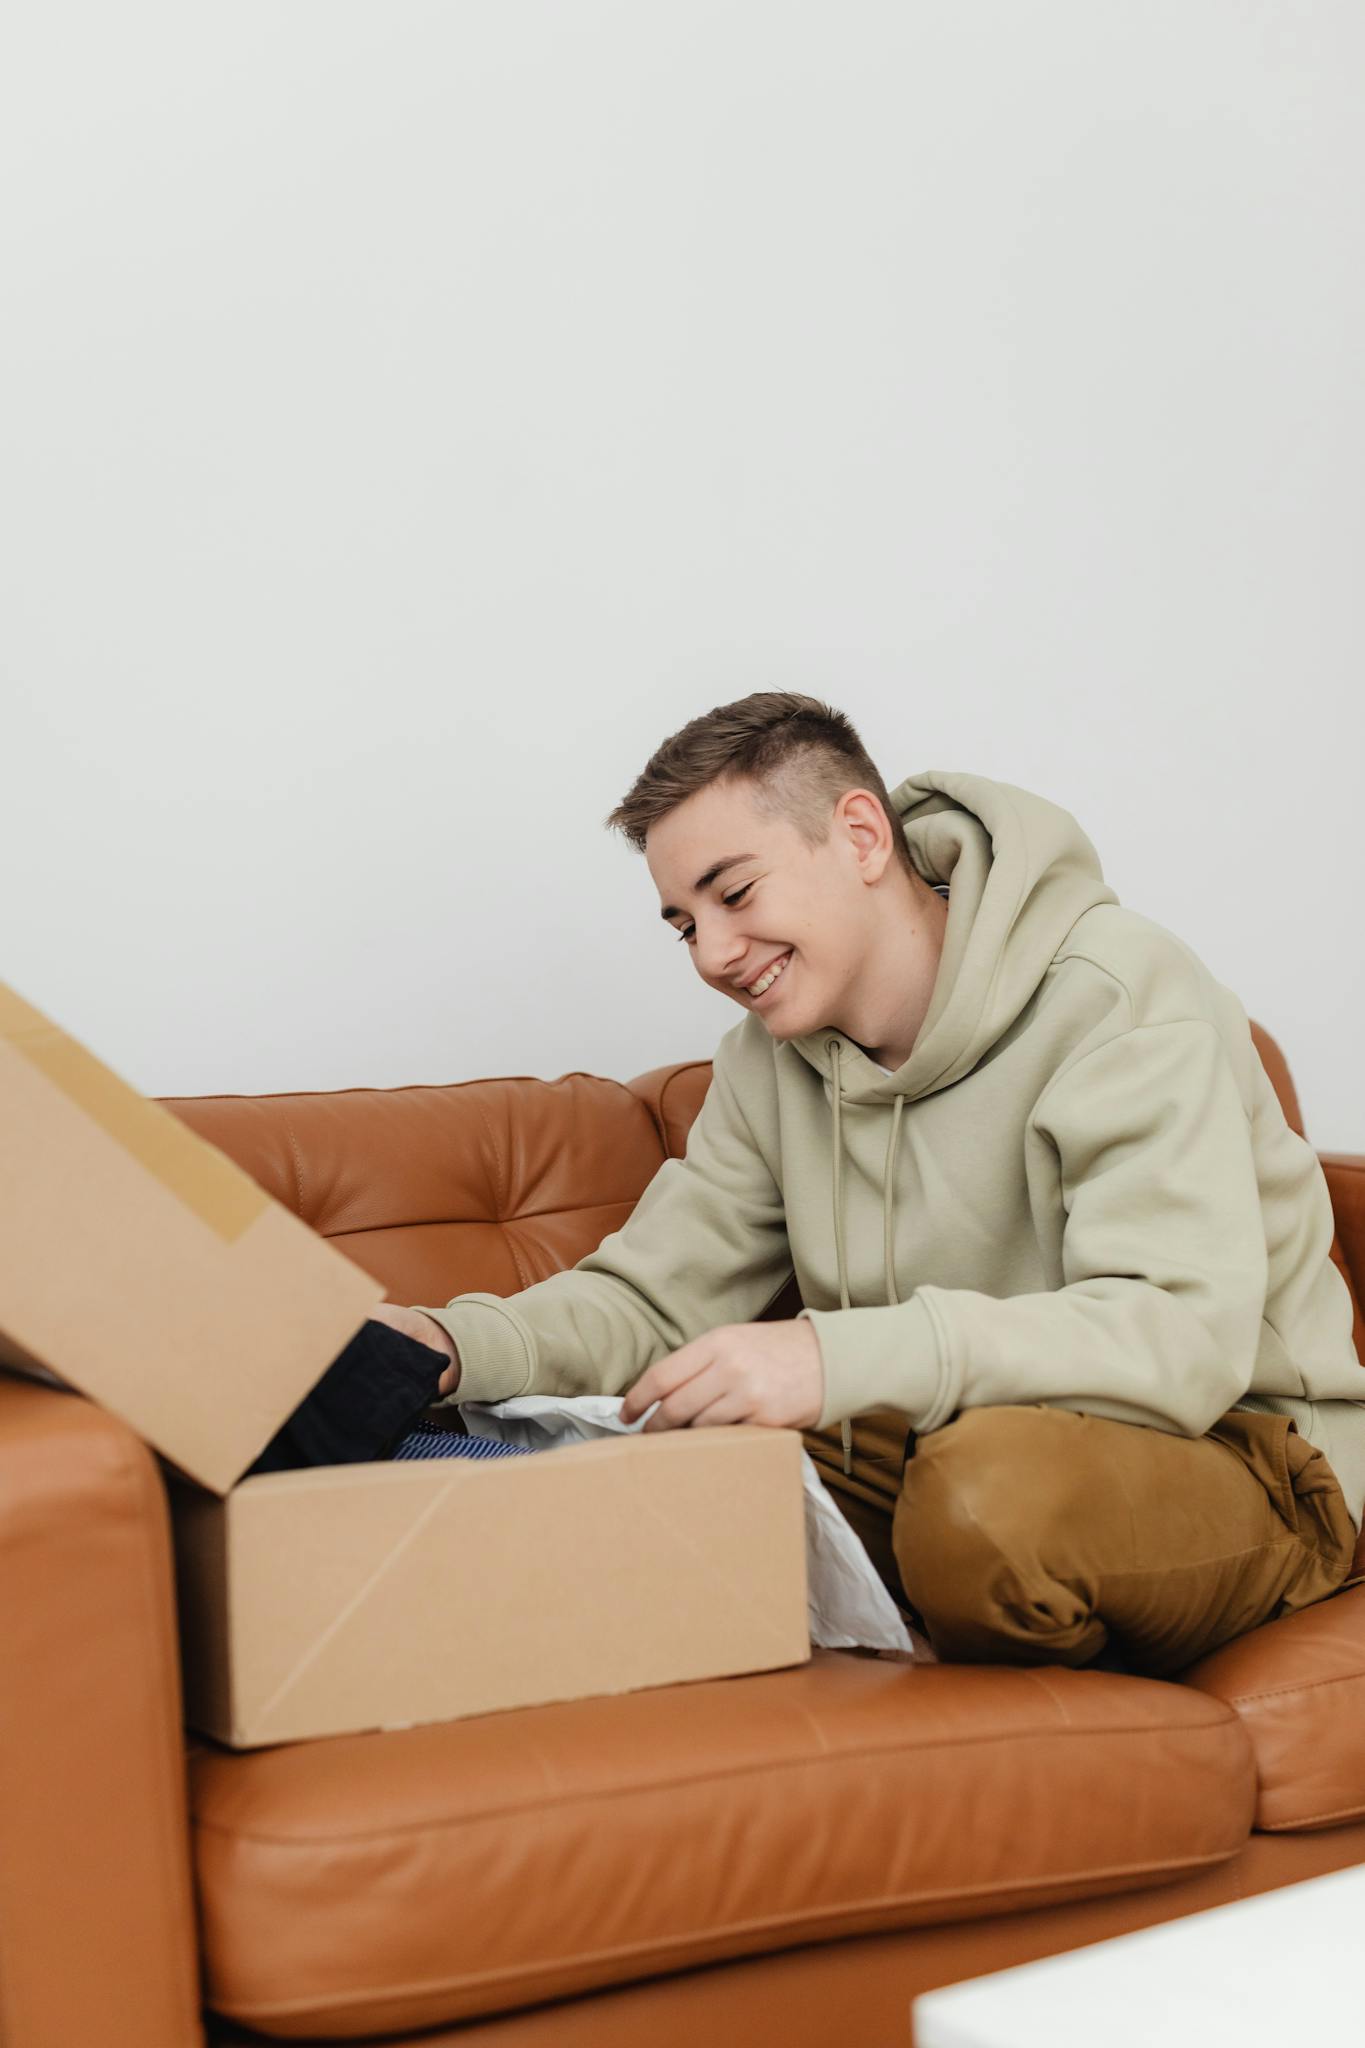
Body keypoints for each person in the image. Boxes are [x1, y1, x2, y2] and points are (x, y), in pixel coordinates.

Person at [380, 690, 1364, 1675]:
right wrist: (445, 1345)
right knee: (672, 1469)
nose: (714, 954)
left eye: (735, 893)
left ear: (858, 834)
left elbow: (1176, 1333)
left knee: (981, 1503)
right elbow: (650, 1296)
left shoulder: (1118, 993)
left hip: (1246, 1458)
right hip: (943, 1448)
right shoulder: (769, 1063)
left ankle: (968, 1609)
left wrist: (824, 1355)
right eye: (684, 924)